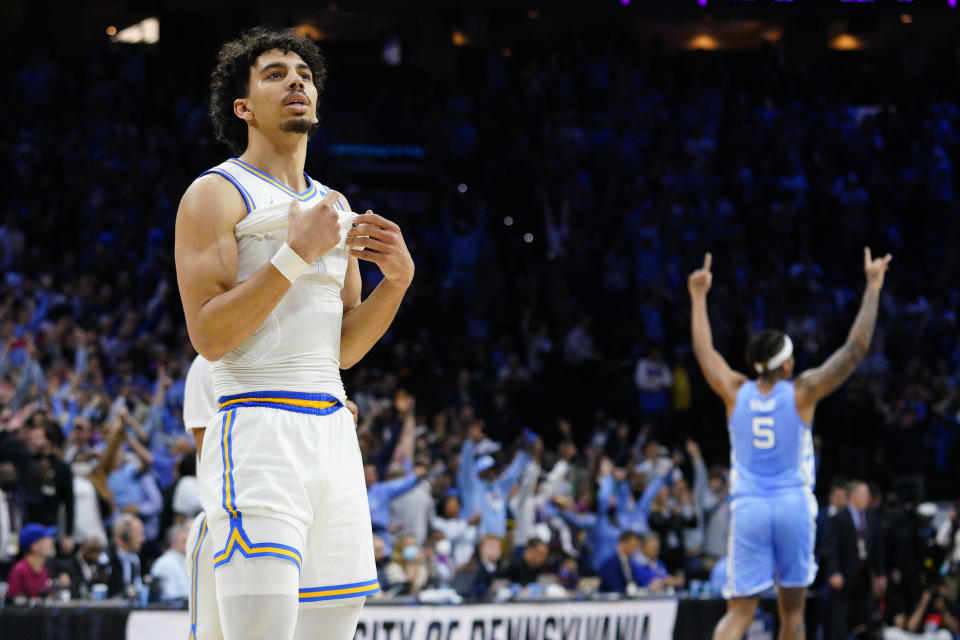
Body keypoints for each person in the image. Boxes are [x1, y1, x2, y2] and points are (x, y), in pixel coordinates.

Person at [175, 26, 414, 640]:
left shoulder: (334, 204)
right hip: (256, 427)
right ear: (244, 107)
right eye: (276, 74)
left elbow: (342, 350)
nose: (297, 82)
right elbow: (207, 335)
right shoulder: (214, 192)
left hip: (333, 433)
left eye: (304, 74)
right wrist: (294, 255)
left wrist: (396, 283)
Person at [688, 248, 891, 640]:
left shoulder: (734, 390)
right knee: (792, 613)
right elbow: (855, 350)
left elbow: (705, 353)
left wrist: (698, 298)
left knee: (739, 613)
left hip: (748, 507)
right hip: (792, 506)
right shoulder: (802, 392)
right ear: (785, 365)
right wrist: (873, 287)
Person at [825, 480, 886, 640]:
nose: (867, 498)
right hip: (844, 575)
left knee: (865, 620)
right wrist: (834, 572)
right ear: (852, 496)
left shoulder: (872, 518)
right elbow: (833, 549)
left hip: (865, 575)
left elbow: (877, 549)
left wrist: (880, 574)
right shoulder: (839, 518)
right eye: (864, 494)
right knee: (841, 621)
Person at [6, 523, 67, 599]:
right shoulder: (19, 570)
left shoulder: (43, 569)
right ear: (34, 546)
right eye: (46, 538)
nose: (52, 541)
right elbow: (12, 605)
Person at [106, 513, 145, 598]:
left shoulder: (134, 560)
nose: (143, 539)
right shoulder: (106, 559)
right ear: (126, 536)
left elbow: (137, 588)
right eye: (139, 534)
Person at [150, 523, 190, 600]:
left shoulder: (186, 559)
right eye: (184, 541)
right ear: (173, 543)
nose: (188, 544)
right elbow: (171, 594)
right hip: (169, 609)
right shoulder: (165, 563)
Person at [598, 531, 642, 595]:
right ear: (623, 544)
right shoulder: (609, 565)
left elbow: (638, 583)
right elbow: (615, 588)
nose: (635, 549)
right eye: (633, 545)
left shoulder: (632, 564)